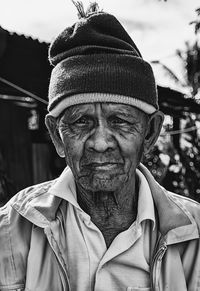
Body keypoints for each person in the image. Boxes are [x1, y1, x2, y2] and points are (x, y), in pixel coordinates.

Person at [0, 3, 200, 291]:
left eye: (119, 120)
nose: (100, 142)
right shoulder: (10, 231)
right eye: (81, 121)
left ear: (150, 132)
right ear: (57, 136)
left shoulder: (193, 234)